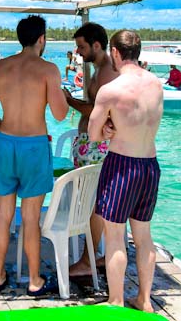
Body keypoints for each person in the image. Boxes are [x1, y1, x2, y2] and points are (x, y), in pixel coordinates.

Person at [0, 15, 68, 295]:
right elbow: (60, 114)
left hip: (6, 144)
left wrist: (2, 128)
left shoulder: (1, 66)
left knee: (3, 215)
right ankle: (33, 280)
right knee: (31, 217)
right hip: (34, 145)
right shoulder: (48, 69)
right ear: (42, 39)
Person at [88, 29, 163, 313]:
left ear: (115, 53)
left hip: (122, 163)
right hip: (150, 165)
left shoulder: (112, 90)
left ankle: (116, 300)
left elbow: (94, 134)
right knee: (144, 236)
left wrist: (107, 128)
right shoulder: (156, 84)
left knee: (116, 235)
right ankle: (145, 300)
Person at [62, 22, 119, 277]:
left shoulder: (106, 72)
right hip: (92, 144)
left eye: (82, 46)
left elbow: (99, 111)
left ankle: (88, 259)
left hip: (98, 147)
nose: (78, 52)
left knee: (95, 204)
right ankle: (99, 255)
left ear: (97, 45)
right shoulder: (99, 70)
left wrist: (69, 100)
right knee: (96, 203)